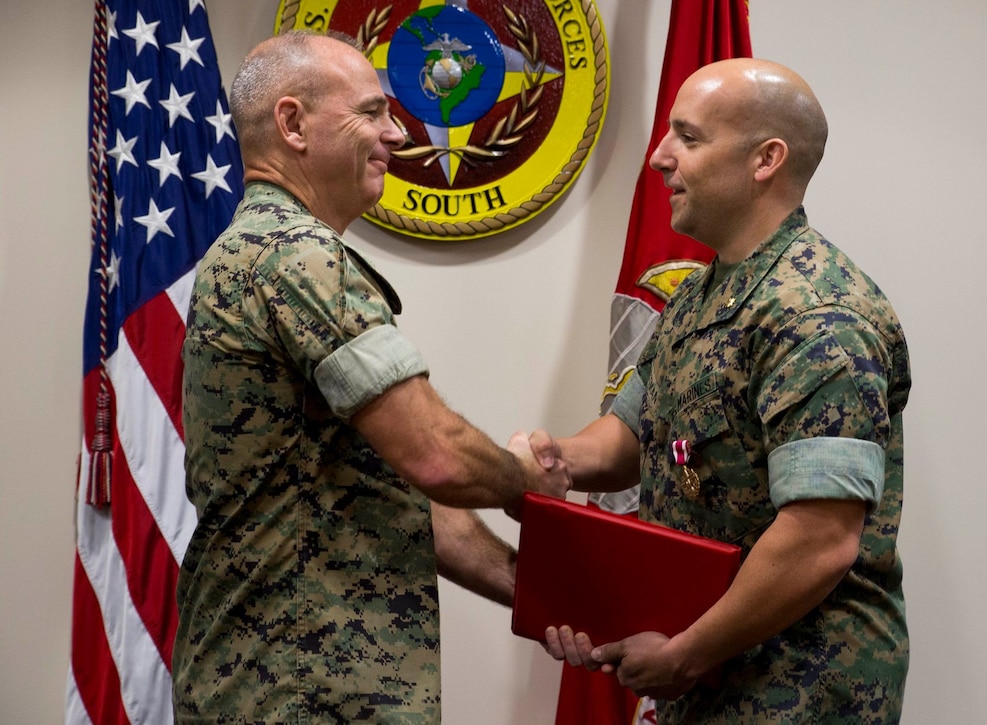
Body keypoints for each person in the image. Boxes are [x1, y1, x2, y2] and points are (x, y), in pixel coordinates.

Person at [173, 31, 570, 723]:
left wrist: (549, 597)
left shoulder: (267, 253)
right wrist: (523, 481)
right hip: (299, 692)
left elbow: (407, 491)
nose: (395, 132)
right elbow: (436, 453)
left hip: (297, 685)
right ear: (292, 124)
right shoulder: (292, 254)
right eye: (371, 112)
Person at [535, 58, 911, 723]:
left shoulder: (817, 313)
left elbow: (819, 537)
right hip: (706, 675)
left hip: (796, 687)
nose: (659, 157)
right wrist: (549, 461)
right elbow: (631, 435)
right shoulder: (702, 295)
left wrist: (684, 654)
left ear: (766, 159)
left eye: (689, 136)